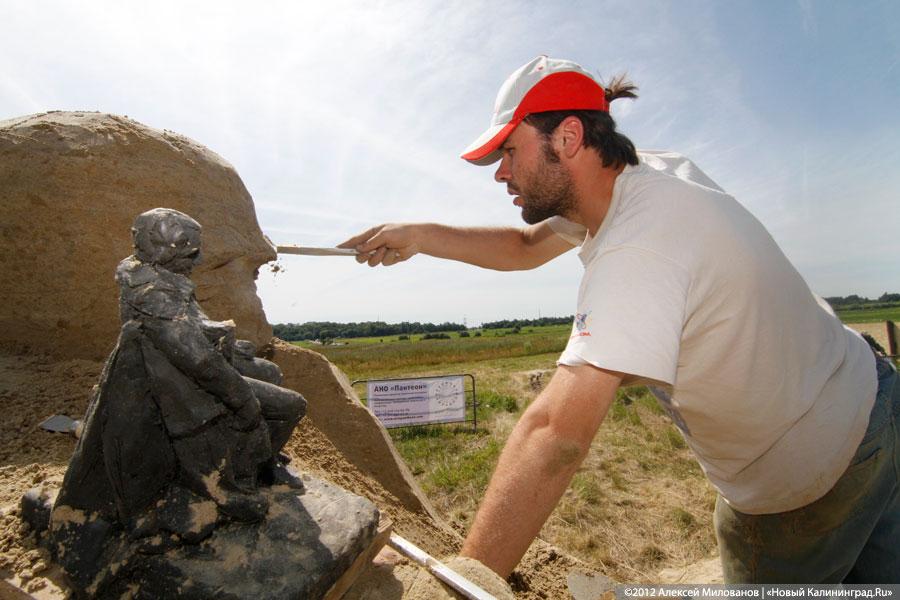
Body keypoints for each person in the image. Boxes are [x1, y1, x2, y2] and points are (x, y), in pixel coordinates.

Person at [339, 56, 899, 583]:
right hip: (869, 391)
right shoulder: (642, 175)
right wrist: (419, 236)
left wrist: (468, 583)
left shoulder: (638, 245)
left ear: (568, 138)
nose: (500, 173)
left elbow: (556, 437)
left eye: (509, 152)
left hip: (804, 476)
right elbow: (523, 247)